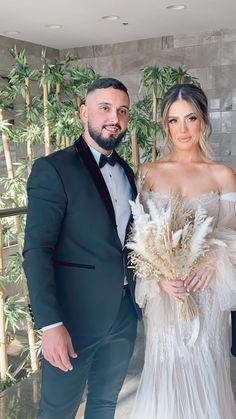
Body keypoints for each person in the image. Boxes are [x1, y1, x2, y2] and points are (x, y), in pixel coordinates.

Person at [23, 77, 141, 419]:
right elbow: (36, 251)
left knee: (105, 404)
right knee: (58, 411)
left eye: (121, 110)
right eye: (104, 108)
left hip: (123, 314)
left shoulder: (127, 172)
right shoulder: (53, 169)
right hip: (72, 320)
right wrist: (49, 325)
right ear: (84, 112)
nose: (113, 118)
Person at [129, 83, 236, 419]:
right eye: (174, 121)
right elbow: (139, 235)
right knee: (165, 367)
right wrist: (159, 279)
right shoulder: (147, 173)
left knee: (206, 365)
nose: (183, 129)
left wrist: (216, 261)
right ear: (166, 126)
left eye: (190, 118)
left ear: (203, 120)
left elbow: (233, 233)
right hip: (166, 297)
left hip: (207, 293)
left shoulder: (222, 175)